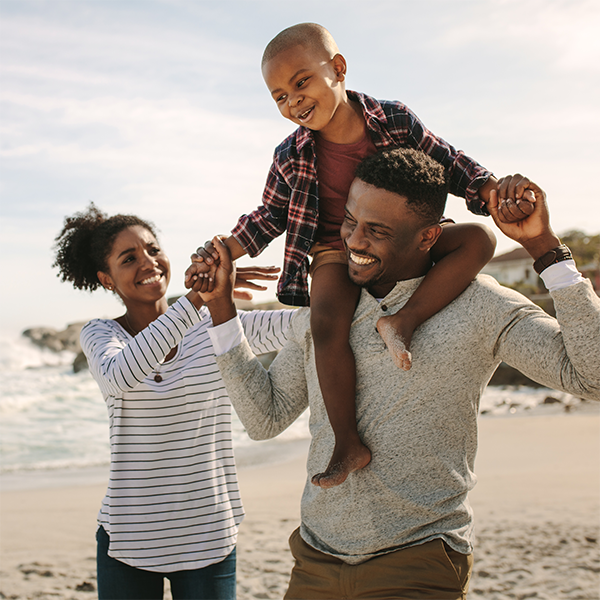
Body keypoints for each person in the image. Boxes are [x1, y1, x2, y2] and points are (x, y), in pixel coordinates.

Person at [193, 148, 600, 600]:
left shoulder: (480, 304)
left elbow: (592, 378)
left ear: (428, 236)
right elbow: (264, 419)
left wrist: (543, 247)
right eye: (349, 221)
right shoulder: (327, 312)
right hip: (315, 561)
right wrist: (222, 311)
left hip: (418, 563)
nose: (354, 241)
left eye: (377, 231)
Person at [188, 22, 534, 489]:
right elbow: (269, 215)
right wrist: (222, 249)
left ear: (338, 68)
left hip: (401, 240)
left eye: (301, 82)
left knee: (479, 241)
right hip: (335, 247)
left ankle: (403, 321)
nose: (293, 102)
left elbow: (450, 162)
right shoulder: (290, 154)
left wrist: (492, 190)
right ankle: (347, 443)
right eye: (279, 97)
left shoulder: (393, 119)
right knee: (326, 322)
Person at [52, 204, 293, 600]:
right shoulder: (100, 335)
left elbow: (306, 325)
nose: (148, 262)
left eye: (152, 249)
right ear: (106, 279)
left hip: (210, 535)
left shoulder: (218, 324)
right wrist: (197, 300)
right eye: (129, 258)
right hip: (129, 539)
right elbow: (121, 375)